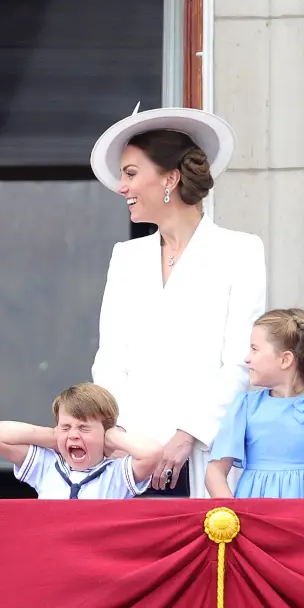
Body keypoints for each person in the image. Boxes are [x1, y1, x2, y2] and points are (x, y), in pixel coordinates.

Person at [89, 105, 266, 498]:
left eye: (131, 174)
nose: (122, 187)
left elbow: (240, 361)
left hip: (204, 456)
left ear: (170, 178)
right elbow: (110, 358)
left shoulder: (240, 251)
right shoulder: (125, 257)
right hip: (129, 460)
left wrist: (189, 434)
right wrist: (119, 436)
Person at [205, 309, 304, 499]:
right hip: (256, 521)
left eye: (254, 349)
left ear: (285, 360)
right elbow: (214, 472)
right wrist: (234, 517)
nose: (247, 358)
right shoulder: (245, 406)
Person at [0, 382, 162, 499]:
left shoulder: (116, 474)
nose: (73, 435)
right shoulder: (47, 466)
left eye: (84, 428)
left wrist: (112, 437)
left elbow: (153, 453)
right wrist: (53, 437)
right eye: (65, 427)